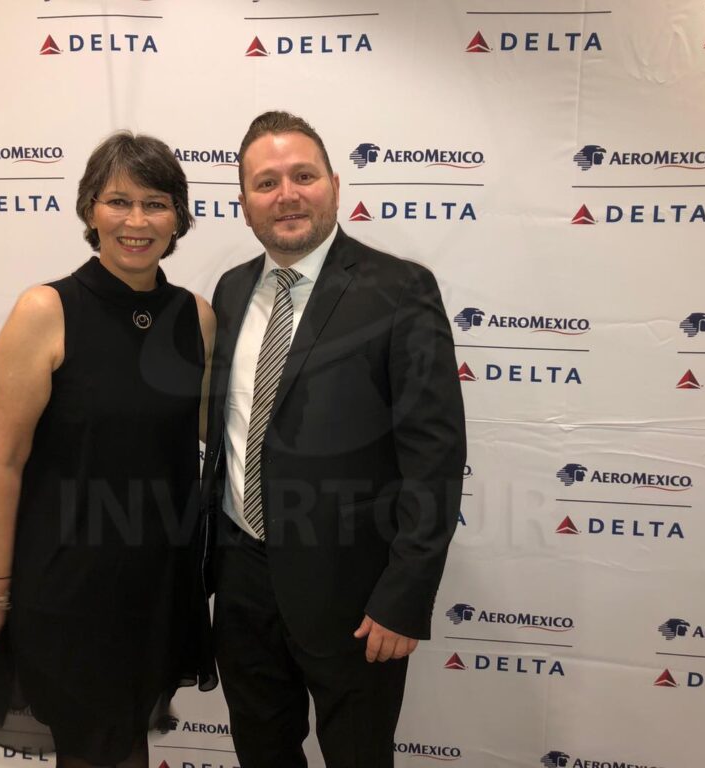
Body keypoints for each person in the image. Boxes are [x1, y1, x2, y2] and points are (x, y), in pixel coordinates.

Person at [202, 111, 467, 768]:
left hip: (355, 593)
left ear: (335, 186)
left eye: (304, 176)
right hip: (242, 582)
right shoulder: (230, 291)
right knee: (261, 753)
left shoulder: (399, 290)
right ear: (244, 203)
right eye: (266, 183)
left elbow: (435, 457)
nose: (287, 195)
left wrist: (404, 596)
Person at [0, 131, 217, 768]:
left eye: (155, 203)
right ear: (89, 210)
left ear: (178, 218)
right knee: (92, 745)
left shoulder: (197, 316)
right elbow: (4, 461)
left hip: (159, 580)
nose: (136, 221)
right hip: (72, 582)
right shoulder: (45, 310)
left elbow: (209, 436)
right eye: (118, 201)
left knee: (127, 737)